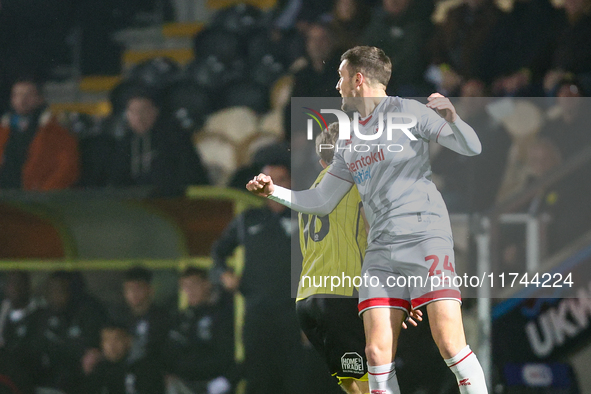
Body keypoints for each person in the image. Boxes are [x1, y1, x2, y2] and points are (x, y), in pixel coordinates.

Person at [247, 46, 487, 394]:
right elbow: (320, 200)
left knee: (449, 342)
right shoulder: (348, 138)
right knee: (375, 352)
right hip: (381, 249)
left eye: (341, 76)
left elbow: (472, 147)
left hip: (424, 236)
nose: (337, 85)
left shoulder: (409, 111)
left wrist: (454, 119)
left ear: (359, 79)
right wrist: (274, 192)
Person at [212, 157, 311, 394]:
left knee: (297, 383)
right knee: (259, 381)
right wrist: (223, 274)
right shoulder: (248, 220)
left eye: (281, 179)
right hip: (257, 316)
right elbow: (218, 252)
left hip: (294, 318)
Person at [91, 89, 209, 194]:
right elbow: (116, 180)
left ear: (155, 112)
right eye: (133, 112)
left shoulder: (175, 139)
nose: (139, 117)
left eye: (143, 111)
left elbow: (189, 177)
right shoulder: (124, 143)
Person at [163, 267, 235, 394]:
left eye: (194, 285)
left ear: (207, 284)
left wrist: (225, 380)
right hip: (183, 383)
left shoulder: (221, 314)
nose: (190, 291)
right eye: (185, 286)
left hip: (212, 383)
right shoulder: (182, 318)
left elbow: (227, 352)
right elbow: (171, 350)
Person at [32, 271, 106, 392]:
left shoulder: (89, 312)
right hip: (49, 380)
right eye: (51, 291)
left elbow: (94, 352)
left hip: (81, 382)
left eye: (60, 290)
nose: (55, 296)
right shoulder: (43, 315)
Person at [0, 78, 79, 190]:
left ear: (40, 99)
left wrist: (44, 191)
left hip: (36, 198)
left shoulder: (56, 130)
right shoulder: (3, 129)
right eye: (16, 95)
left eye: (28, 95)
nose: (22, 100)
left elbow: (67, 166)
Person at [113, 267, 169, 367]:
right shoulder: (118, 318)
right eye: (129, 289)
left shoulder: (163, 318)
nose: (133, 293)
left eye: (138, 288)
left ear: (150, 290)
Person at [86, 323, 165, 394]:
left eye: (116, 339)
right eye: (106, 340)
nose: (111, 345)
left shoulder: (146, 368)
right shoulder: (98, 371)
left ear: (128, 340)